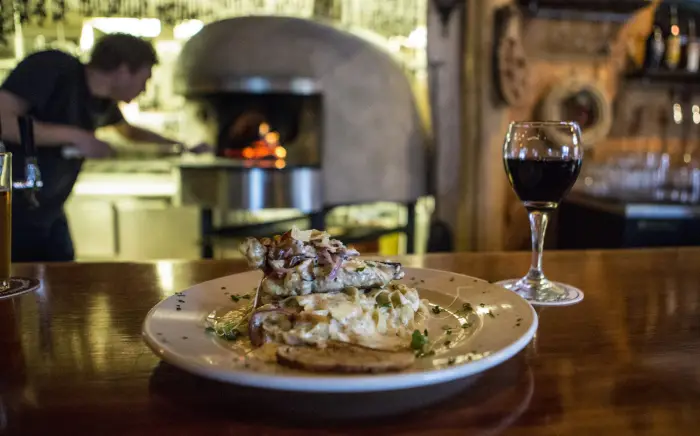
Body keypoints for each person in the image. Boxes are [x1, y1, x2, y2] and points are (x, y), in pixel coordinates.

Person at [0, 33, 206, 262]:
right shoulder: (53, 67)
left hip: (47, 211)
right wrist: (78, 137)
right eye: (145, 79)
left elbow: (131, 133)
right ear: (123, 70)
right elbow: (3, 120)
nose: (145, 89)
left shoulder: (102, 103)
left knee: (66, 281)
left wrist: (183, 147)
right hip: (9, 211)